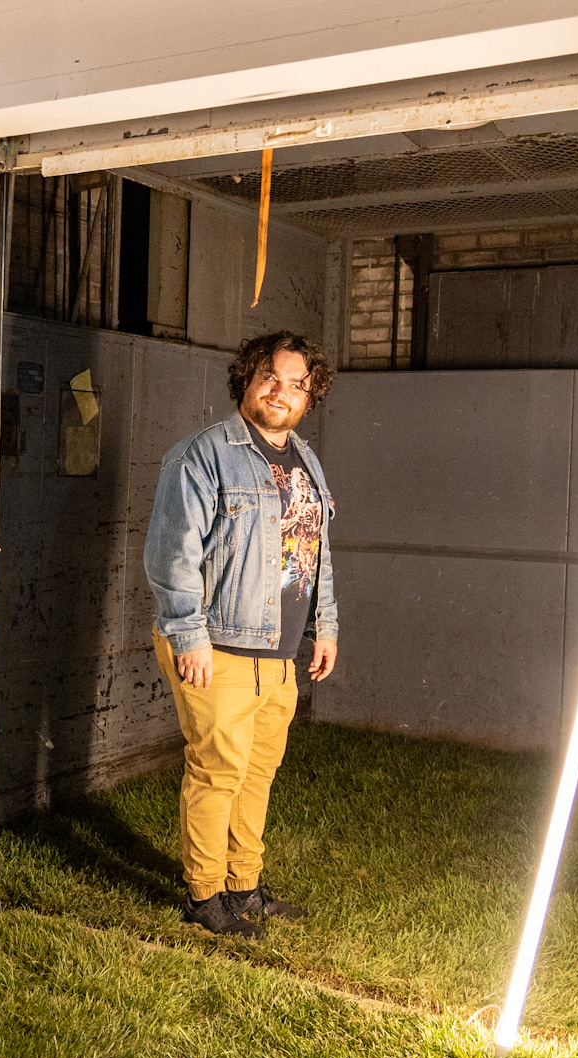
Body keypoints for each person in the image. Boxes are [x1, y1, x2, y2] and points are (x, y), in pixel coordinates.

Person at [144, 330, 339, 939]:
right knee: (217, 770)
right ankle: (205, 895)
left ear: (311, 395)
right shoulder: (202, 455)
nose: (282, 392)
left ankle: (243, 886)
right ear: (247, 380)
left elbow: (314, 552)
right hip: (217, 645)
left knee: (256, 774)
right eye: (270, 378)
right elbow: (172, 556)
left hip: (277, 653)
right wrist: (188, 635)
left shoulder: (304, 459)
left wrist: (324, 625)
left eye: (297, 384)